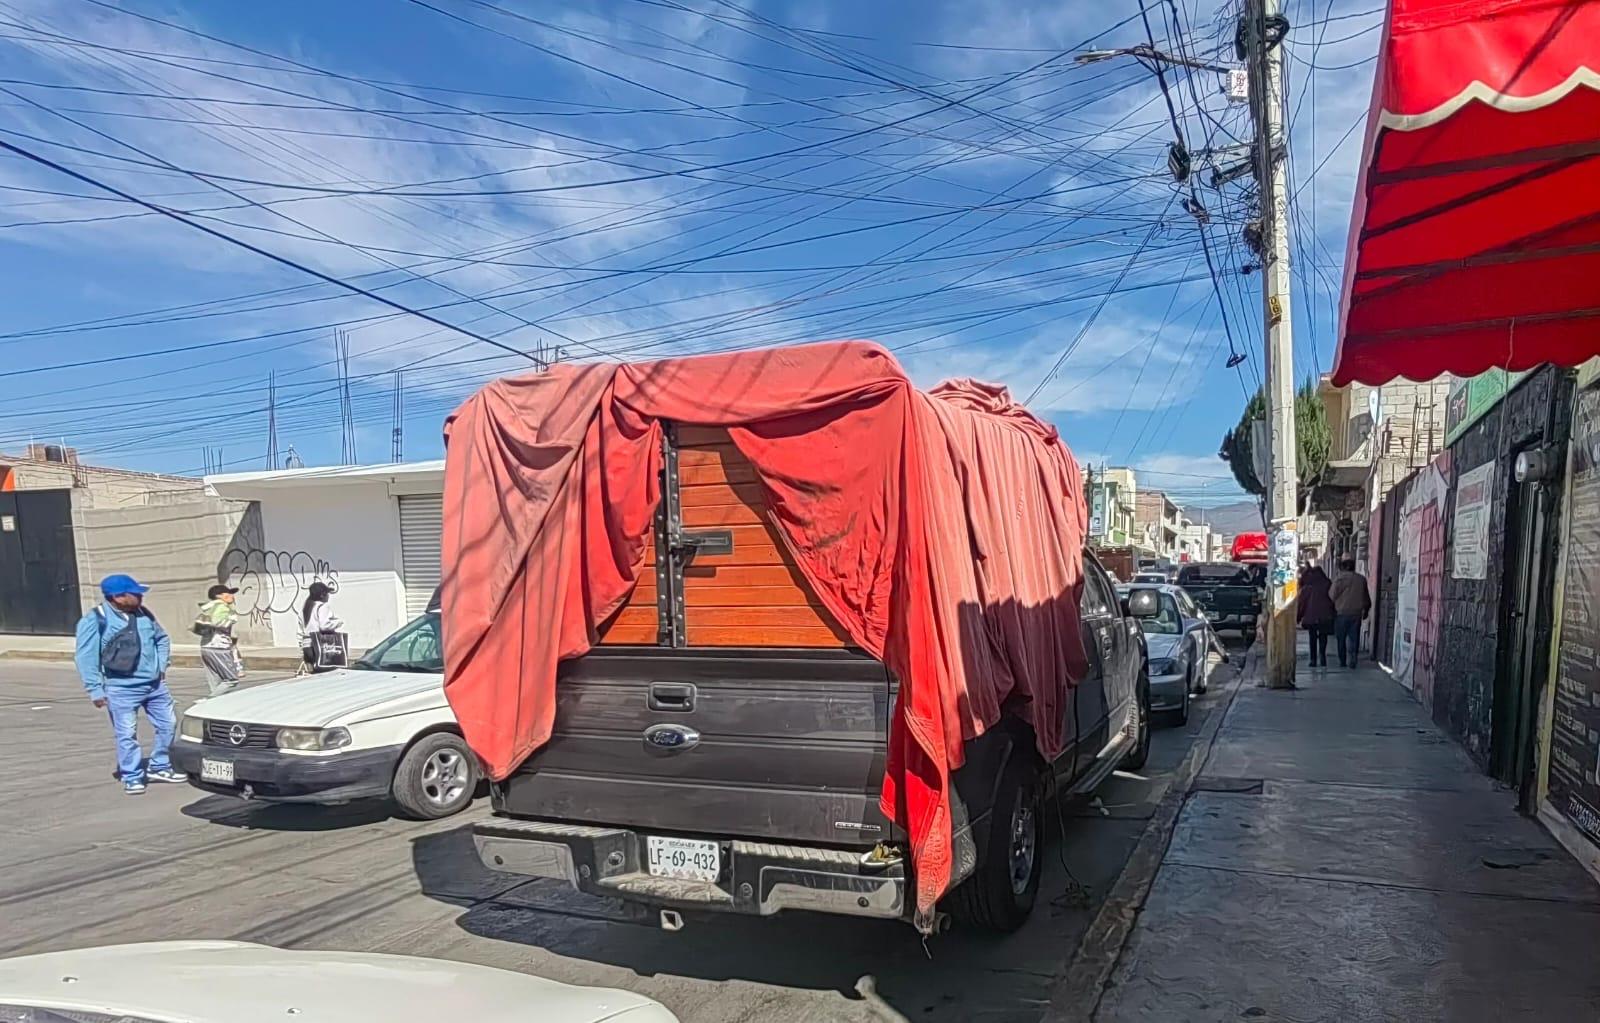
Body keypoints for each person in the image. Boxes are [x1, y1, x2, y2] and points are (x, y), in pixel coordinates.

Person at [73, 574, 186, 795]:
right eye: (135, 593)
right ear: (118, 597)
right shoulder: (95, 620)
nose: (140, 597)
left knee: (168, 725)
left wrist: (161, 666)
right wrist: (95, 689)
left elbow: (161, 639)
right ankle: (132, 775)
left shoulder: (144, 615)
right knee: (126, 733)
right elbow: (85, 657)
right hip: (120, 688)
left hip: (155, 686)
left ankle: (160, 766)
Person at [194, 583, 242, 696]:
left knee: (215, 682)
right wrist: (232, 617)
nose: (232, 596)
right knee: (231, 680)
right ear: (219, 595)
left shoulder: (210, 607)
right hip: (219, 647)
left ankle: (214, 704)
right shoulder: (222, 607)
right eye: (228, 593)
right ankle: (209, 700)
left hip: (206, 647)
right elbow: (217, 622)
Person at [1329, 558, 1372, 668]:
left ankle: (1342, 661)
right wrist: (1366, 610)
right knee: (1354, 638)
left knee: (1341, 639)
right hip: (1356, 613)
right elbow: (1366, 597)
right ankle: (1353, 659)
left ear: (1343, 568)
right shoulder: (1361, 579)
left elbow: (1332, 595)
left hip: (1341, 613)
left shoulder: (1339, 579)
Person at [298, 581, 345, 675]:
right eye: (327, 593)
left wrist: (302, 649)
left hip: (307, 646)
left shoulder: (305, 608)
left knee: (315, 675)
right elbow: (324, 626)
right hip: (320, 646)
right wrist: (338, 623)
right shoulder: (323, 606)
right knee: (327, 675)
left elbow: (299, 631)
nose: (328, 596)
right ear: (322, 595)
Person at [1297, 565, 1335, 668]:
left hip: (1311, 617)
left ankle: (1313, 659)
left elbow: (1302, 603)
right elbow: (1333, 599)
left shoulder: (1307, 587)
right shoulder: (1328, 584)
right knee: (1323, 637)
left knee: (1312, 637)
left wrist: (1298, 617)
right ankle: (1322, 656)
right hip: (1325, 616)